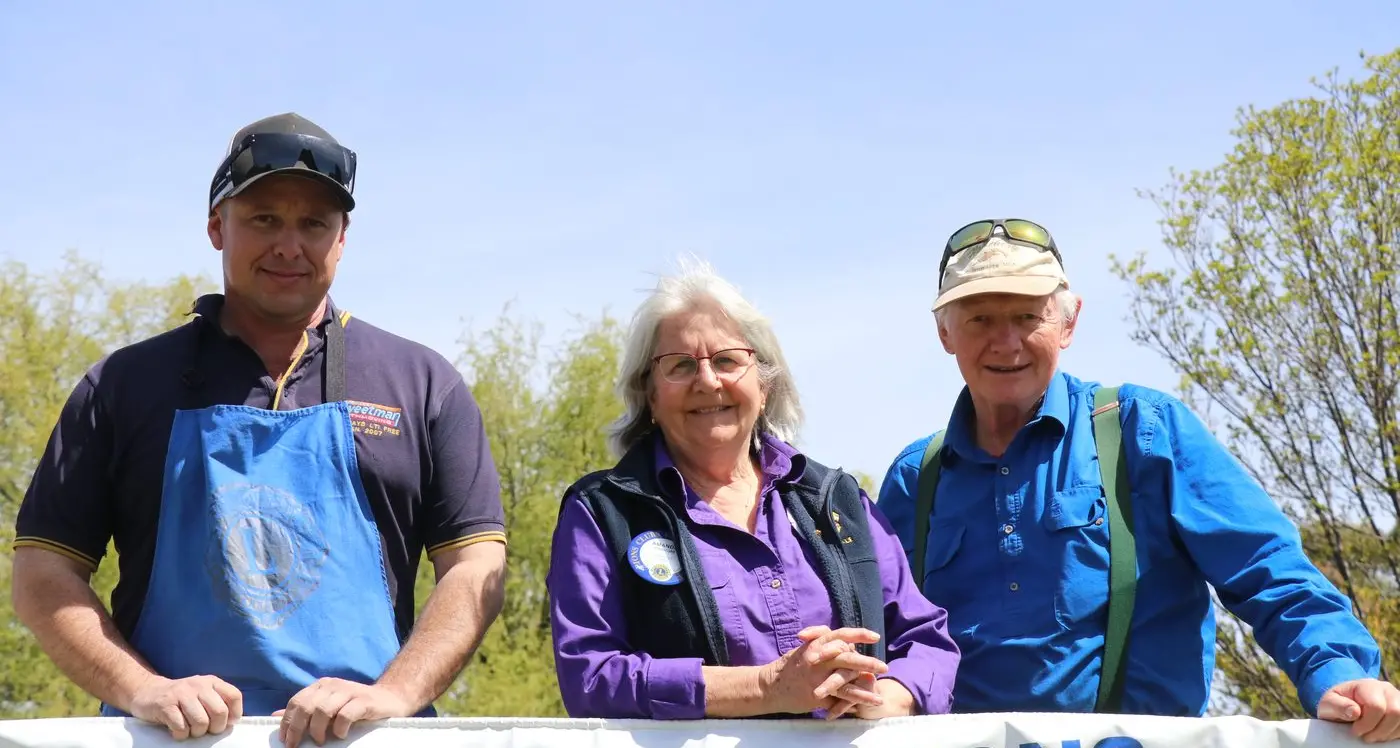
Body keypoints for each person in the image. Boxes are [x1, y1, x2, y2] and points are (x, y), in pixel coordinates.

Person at [10, 113, 508, 747]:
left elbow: (475, 565)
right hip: (167, 741)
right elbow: (42, 574)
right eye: (264, 219)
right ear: (217, 227)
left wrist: (397, 693)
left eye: (314, 224)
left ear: (343, 238)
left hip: (371, 739)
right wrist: (142, 689)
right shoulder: (121, 386)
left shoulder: (423, 383)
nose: (289, 246)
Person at [876, 218, 1400, 740]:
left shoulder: (1143, 430)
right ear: (945, 332)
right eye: (981, 319)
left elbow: (1267, 568)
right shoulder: (913, 480)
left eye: (1026, 316)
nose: (1006, 342)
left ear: (1068, 322)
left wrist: (1342, 672)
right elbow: (882, 636)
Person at [546, 259, 960, 721]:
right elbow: (591, 677)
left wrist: (886, 698)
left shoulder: (835, 500)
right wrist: (766, 687)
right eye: (680, 365)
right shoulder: (604, 513)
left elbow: (926, 640)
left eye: (727, 360)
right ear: (650, 395)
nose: (707, 381)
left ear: (764, 385)